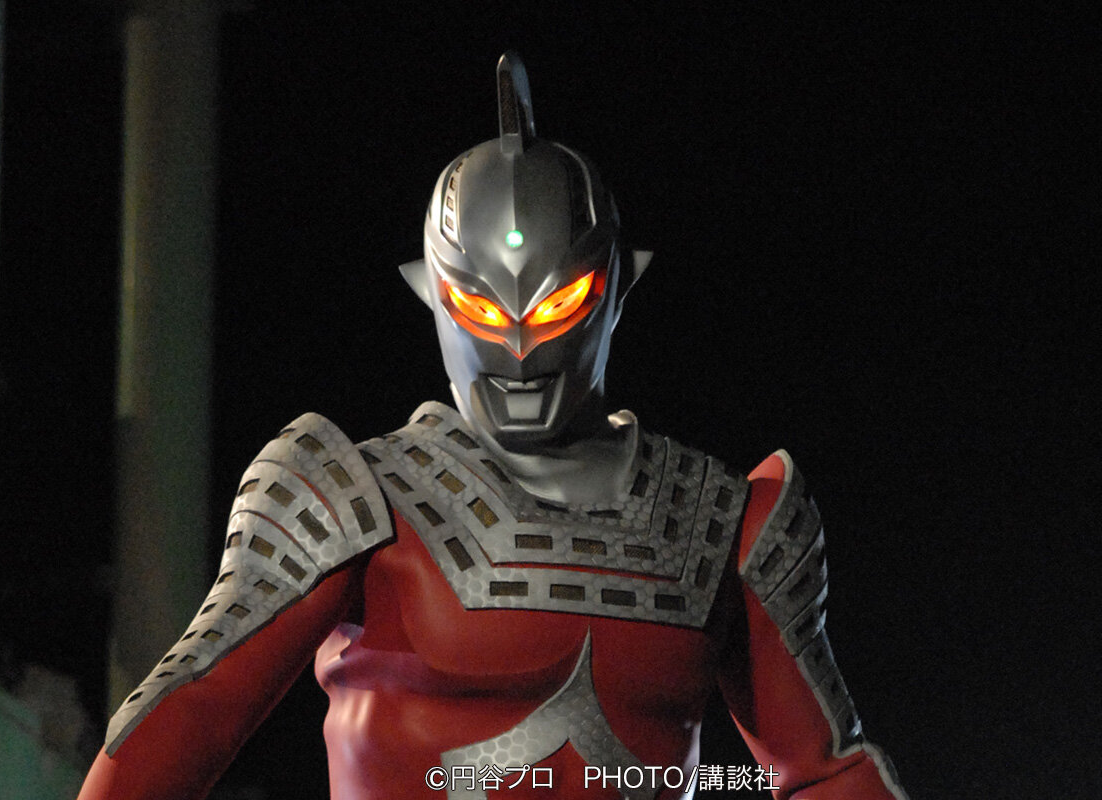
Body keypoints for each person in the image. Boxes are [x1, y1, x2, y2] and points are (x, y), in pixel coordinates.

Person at [78, 52, 908, 800]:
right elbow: (191, 716)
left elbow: (827, 772)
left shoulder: (720, 522)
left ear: (617, 287)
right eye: (480, 307)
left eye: (558, 304)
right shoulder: (352, 496)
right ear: (431, 293)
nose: (517, 345)